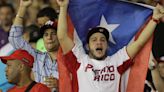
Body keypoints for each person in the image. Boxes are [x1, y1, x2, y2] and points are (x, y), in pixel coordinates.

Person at [57, 0, 164, 91]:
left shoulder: (116, 61)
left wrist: (154, 19)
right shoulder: (79, 60)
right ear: (88, 46)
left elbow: (139, 43)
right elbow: (62, 37)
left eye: (103, 40)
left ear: (107, 46)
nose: (99, 42)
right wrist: (63, 7)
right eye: (94, 40)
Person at [9, 0, 58, 91]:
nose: (49, 37)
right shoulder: (37, 57)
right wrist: (23, 7)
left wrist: (62, 83)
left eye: (53, 33)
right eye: (45, 34)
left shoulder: (71, 56)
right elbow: (14, 39)